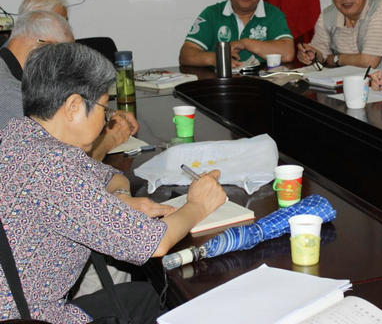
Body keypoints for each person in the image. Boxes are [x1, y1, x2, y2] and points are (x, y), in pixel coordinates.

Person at [0, 42, 227, 323]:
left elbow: (111, 177)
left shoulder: (20, 136)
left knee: (146, 296)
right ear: (73, 106)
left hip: (22, 308)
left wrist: (120, 197)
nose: (106, 121)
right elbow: (154, 243)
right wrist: (199, 205)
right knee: (178, 302)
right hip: (35, 317)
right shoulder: (56, 167)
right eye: (104, 110)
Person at [0, 10, 137, 161]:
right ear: (45, 47)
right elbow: (61, 163)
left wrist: (104, 112)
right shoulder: (10, 94)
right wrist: (108, 140)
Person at [179, 0, 294, 68]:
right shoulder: (212, 13)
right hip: (222, 80)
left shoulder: (273, 14)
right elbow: (186, 55)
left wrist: (245, 43)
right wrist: (216, 58)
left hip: (260, 81)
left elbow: (287, 53)